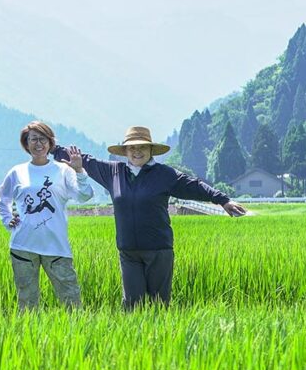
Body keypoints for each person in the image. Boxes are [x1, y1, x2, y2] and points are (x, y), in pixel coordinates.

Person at [63, 127, 248, 308]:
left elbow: (194, 186)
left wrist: (223, 200)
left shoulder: (165, 174)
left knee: (159, 304)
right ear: (125, 151)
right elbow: (82, 160)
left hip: (158, 250)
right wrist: (50, 146)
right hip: (128, 252)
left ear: (151, 150)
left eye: (142, 147)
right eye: (132, 147)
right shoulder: (113, 172)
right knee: (132, 305)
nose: (137, 151)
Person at [0, 120, 93, 310]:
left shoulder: (63, 170)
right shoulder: (17, 172)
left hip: (56, 246)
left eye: (43, 139)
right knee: (27, 302)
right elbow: (2, 199)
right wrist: (8, 220)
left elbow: (85, 195)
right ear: (26, 143)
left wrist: (79, 170)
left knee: (71, 300)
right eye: (33, 139)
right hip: (23, 245)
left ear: (50, 143)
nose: (38, 143)